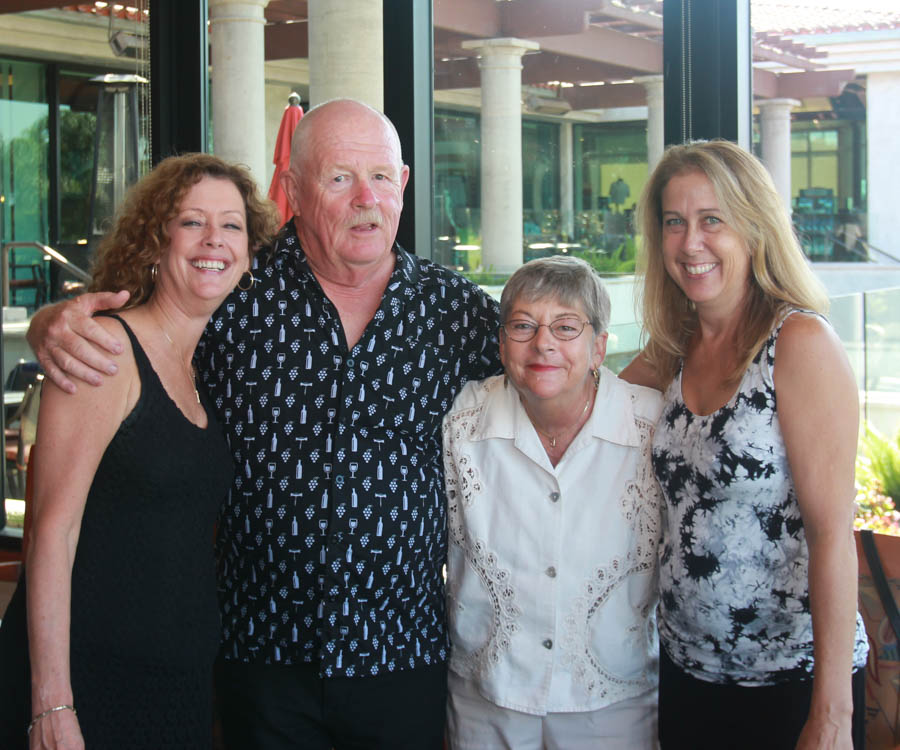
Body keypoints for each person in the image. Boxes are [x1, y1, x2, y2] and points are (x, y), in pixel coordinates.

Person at [26, 98, 502, 749]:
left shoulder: (456, 310)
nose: (367, 198)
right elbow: (142, 327)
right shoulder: (236, 290)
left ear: (405, 185)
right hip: (259, 661)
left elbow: (557, 360)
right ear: (296, 191)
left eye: (382, 177)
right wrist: (50, 324)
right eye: (340, 178)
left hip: (401, 656)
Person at [0, 153, 280, 749]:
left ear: (249, 252)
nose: (215, 241)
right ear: (155, 242)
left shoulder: (208, 364)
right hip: (87, 680)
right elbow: (51, 532)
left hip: (174, 683)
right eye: (191, 222)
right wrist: (51, 702)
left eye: (232, 225)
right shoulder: (104, 347)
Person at [621, 140, 868, 749]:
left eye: (712, 220)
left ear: (754, 227)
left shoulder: (798, 342)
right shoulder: (674, 347)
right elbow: (584, 409)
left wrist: (830, 716)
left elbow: (831, 536)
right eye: (674, 223)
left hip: (790, 681)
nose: (689, 243)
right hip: (687, 674)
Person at [442, 255, 663, 750]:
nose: (543, 343)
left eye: (566, 327)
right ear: (501, 345)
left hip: (612, 704)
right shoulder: (460, 420)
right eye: (523, 326)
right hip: (488, 697)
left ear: (599, 347)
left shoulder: (651, 428)